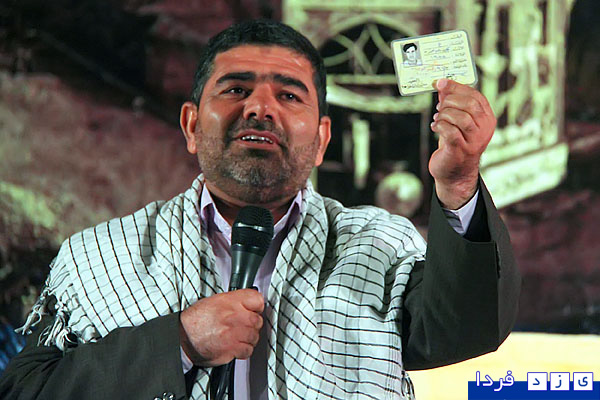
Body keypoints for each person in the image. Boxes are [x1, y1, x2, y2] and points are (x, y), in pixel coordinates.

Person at [0, 20, 520, 400]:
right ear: (191, 125)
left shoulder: (377, 247)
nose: (260, 107)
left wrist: (458, 183)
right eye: (236, 88)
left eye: (289, 96)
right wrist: (178, 343)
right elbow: (27, 392)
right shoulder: (102, 254)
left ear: (321, 140)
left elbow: (467, 327)